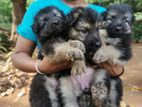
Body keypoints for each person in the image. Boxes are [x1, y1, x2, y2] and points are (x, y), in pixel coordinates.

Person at [11, 0, 124, 77]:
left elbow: (118, 62)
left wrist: (117, 69)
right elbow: (19, 55)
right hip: (55, 83)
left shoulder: (103, 13)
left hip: (94, 83)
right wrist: (42, 67)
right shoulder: (40, 6)